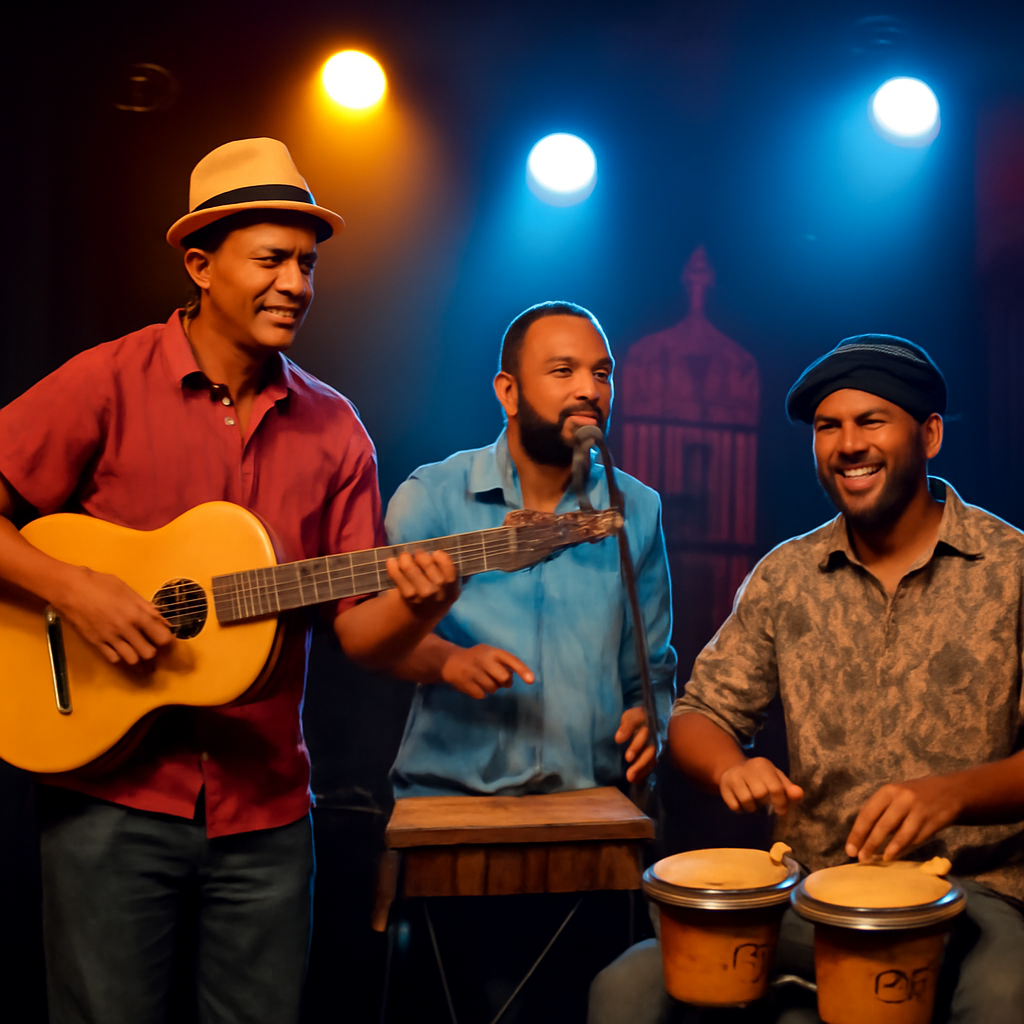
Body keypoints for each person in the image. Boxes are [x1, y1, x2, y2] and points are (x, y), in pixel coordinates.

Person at [0, 138, 458, 1024]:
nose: (296, 283)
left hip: (268, 817)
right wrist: (74, 588)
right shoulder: (106, 381)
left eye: (309, 263)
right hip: (109, 797)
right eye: (273, 259)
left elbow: (358, 634)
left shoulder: (336, 432)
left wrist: (419, 603)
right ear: (202, 264)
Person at [588, 334, 1024, 1024]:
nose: (847, 444)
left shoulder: (1012, 569)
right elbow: (698, 717)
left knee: (1006, 998)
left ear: (930, 434)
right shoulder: (786, 576)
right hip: (816, 893)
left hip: (977, 893)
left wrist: (954, 794)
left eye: (871, 421)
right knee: (627, 990)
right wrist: (730, 766)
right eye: (829, 427)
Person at [386, 300, 677, 798]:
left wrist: (649, 718)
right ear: (509, 391)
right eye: (563, 371)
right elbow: (383, 641)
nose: (589, 389)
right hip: (449, 806)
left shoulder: (639, 509)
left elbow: (650, 668)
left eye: (602, 374)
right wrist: (447, 660)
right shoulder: (430, 497)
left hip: (594, 807)